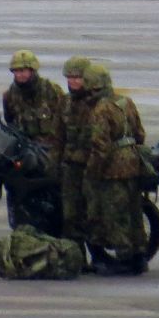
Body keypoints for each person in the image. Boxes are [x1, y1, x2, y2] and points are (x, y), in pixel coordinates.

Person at [83, 63, 148, 276]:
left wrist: (92, 172)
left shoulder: (100, 109)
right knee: (134, 211)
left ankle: (124, 257)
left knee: (116, 214)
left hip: (113, 169)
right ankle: (139, 255)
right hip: (133, 163)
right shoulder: (126, 102)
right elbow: (140, 134)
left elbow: (100, 146)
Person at [2, 49, 67, 203]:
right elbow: (10, 123)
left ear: (32, 70)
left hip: (51, 151)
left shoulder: (51, 91)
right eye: (16, 71)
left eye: (23, 71)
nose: (20, 75)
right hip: (26, 151)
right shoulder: (9, 96)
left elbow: (65, 119)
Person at [59, 55, 93, 253]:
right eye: (69, 77)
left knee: (92, 215)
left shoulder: (97, 103)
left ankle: (98, 254)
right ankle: (78, 256)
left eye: (77, 77)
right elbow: (58, 135)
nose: (72, 81)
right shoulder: (65, 102)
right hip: (70, 168)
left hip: (91, 167)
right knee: (71, 215)